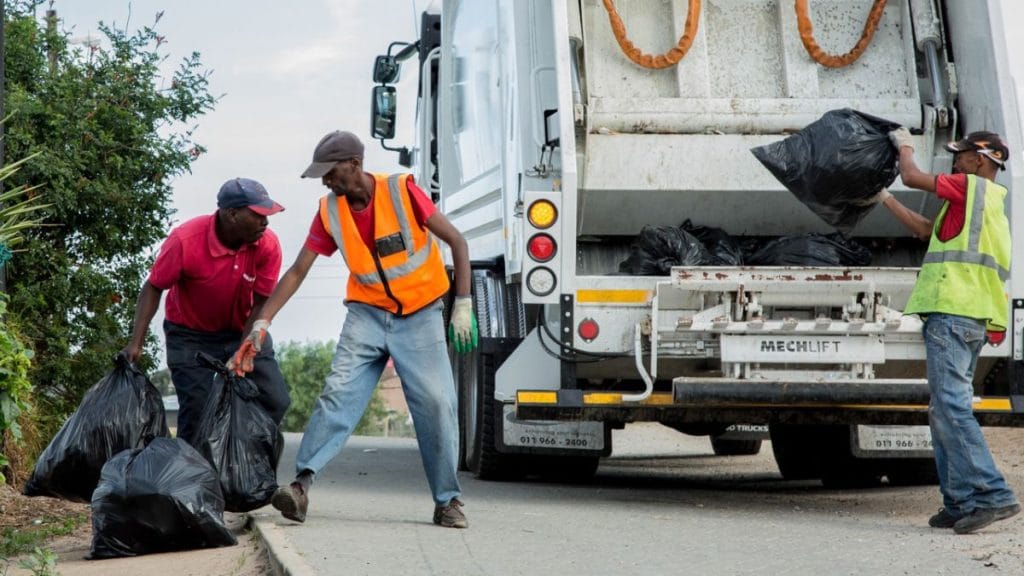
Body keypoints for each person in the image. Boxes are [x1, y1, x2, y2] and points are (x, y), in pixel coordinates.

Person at [234, 130, 478, 529]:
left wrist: (463, 304)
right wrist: (262, 322)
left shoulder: (402, 191)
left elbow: (457, 242)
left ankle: (447, 501)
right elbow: (297, 271)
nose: (326, 181)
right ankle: (300, 488)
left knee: (437, 403)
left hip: (419, 314)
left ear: (354, 164)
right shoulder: (330, 211)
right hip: (366, 314)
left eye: (330, 172)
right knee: (338, 395)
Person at [874, 127, 1020, 534]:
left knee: (952, 407)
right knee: (942, 408)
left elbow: (912, 177)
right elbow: (926, 230)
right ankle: (958, 502)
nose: (955, 161)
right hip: (971, 316)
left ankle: (992, 494)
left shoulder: (969, 187)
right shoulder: (985, 203)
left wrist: (903, 144)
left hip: (953, 311)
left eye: (962, 155)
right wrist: (883, 200)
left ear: (982, 161)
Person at [121, 177, 290, 445]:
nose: (265, 223)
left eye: (267, 215)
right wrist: (135, 343)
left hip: (242, 330)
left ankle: (245, 463)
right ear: (232, 214)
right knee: (197, 411)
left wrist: (243, 348)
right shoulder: (185, 241)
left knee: (275, 399)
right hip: (190, 336)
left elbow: (261, 303)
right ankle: (189, 480)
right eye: (258, 215)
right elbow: (153, 287)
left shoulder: (267, 245)